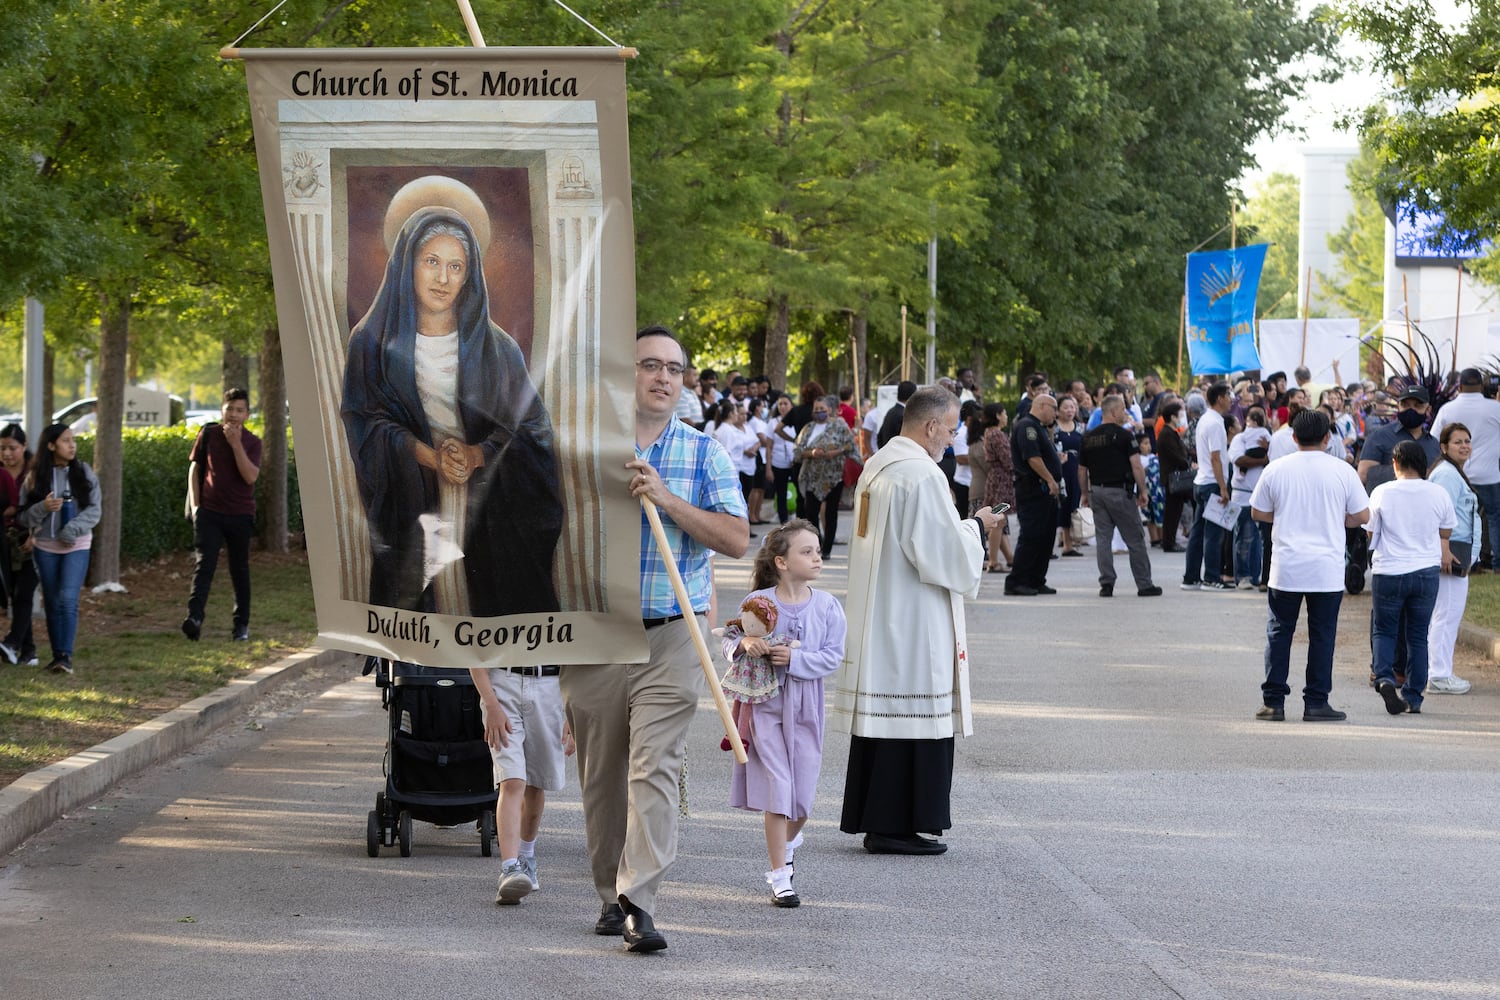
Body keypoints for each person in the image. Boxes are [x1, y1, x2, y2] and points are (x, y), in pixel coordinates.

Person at [560, 326, 749, 953]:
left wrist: (665, 500)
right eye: (650, 365)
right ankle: (610, 894)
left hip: (673, 634)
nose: (664, 377)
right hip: (597, 635)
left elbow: (735, 538)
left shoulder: (704, 454)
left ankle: (641, 902)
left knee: (655, 770)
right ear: (628, 375)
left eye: (675, 368)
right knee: (603, 779)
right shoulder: (585, 451)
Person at [341, 204, 562, 617]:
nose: (443, 279)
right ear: (408, 264)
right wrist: (426, 455)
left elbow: (532, 427)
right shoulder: (370, 342)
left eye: (456, 267)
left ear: (469, 275)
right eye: (431, 262)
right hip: (411, 485)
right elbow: (363, 418)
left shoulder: (498, 348)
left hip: (488, 487)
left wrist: (478, 454)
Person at [835, 387, 1004, 854]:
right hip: (911, 618)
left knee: (885, 718)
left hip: (881, 609)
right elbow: (940, 552)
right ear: (931, 426)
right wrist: (976, 527)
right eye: (950, 430)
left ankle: (879, 818)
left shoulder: (879, 464)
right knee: (913, 713)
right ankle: (896, 825)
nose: (952, 440)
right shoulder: (920, 476)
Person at [723, 520, 846, 907]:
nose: (816, 558)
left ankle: (789, 841)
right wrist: (745, 641)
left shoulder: (827, 605)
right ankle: (780, 876)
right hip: (765, 704)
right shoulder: (760, 600)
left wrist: (795, 657)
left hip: (806, 704)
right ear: (782, 561)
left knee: (803, 797)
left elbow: (833, 655)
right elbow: (728, 637)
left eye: (818, 551)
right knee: (779, 786)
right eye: (806, 552)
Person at [1249, 410, 1370, 722]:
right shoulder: (1342, 471)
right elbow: (1362, 516)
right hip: (1326, 569)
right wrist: (1339, 519)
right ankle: (1316, 702)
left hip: (1286, 567)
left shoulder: (1276, 469)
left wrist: (1286, 515)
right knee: (1322, 635)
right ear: (1327, 438)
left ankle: (1273, 701)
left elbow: (1258, 513)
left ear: (1293, 437)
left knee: (1278, 633)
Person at [470, 658, 575, 905]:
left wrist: (573, 711)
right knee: (512, 780)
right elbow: (474, 653)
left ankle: (526, 857)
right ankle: (510, 867)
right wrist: (490, 703)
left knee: (536, 783)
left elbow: (576, 650)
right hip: (503, 682)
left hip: (549, 685)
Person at [1366, 440, 1455, 716]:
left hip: (1389, 570)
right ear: (1423, 464)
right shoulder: (1438, 493)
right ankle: (1413, 696)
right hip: (1425, 571)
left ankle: (1384, 678)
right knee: (1418, 635)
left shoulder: (1382, 492)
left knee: (1384, 629)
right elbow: (1447, 531)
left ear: (1395, 463)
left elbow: (1370, 534)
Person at [19, 424, 101, 675]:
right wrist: (43, 507)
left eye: (73, 440)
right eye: (65, 441)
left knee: (68, 598)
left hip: (77, 544)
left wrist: (72, 530)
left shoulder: (84, 472)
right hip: (45, 546)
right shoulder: (35, 477)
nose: (72, 445)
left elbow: (95, 510)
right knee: (52, 601)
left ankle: (66, 656)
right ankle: (57, 657)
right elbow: (24, 518)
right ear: (51, 445)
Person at [182, 388, 262, 642]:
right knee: (204, 566)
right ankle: (194, 619)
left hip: (240, 515)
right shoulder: (208, 434)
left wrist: (235, 444)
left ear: (247, 414)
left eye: (240, 410)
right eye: (230, 409)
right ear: (222, 410)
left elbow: (250, 476)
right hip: (210, 513)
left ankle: (241, 626)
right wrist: (196, 507)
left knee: (239, 570)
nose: (234, 415)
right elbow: (194, 470)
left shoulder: (252, 442)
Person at [1078, 395, 1161, 597]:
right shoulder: (1124, 436)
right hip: (1120, 492)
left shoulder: (1088, 437)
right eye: (1123, 409)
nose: (1125, 413)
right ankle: (1144, 584)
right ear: (1113, 412)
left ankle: (1106, 583)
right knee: (1135, 539)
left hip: (1097, 491)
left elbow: (1082, 469)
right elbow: (1136, 465)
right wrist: (1143, 491)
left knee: (1103, 539)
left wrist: (1084, 494)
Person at [1426, 423, 1480, 694]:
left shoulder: (1453, 472)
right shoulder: (1447, 475)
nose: (1464, 445)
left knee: (1445, 614)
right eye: (1458, 441)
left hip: (1457, 549)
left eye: (1467, 441)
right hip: (1451, 552)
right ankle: (1438, 674)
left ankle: (1438, 670)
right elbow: (1440, 515)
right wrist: (1444, 547)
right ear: (1444, 447)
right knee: (1446, 614)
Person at [1431, 368, 1500, 564]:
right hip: (1489, 475)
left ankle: (1469, 560)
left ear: (1459, 387)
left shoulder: (1447, 409)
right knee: (1494, 518)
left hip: (1457, 474)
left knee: (1459, 518)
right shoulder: (1495, 408)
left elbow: (1435, 438)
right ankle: (1496, 563)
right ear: (1482, 387)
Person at [1006, 393, 1062, 596]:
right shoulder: (1027, 426)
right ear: (1042, 406)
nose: (1056, 413)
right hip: (1033, 490)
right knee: (1032, 536)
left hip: (1045, 492)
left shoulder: (1039, 427)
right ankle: (1017, 581)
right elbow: (1033, 459)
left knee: (1046, 538)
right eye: (1054, 408)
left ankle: (1036, 579)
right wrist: (1049, 479)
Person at [1183, 381, 1233, 591]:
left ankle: (1191, 577)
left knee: (1198, 532)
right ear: (1220, 397)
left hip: (1202, 481)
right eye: (1229, 396)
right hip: (1212, 482)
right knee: (1213, 534)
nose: (1231, 400)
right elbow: (1215, 457)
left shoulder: (1206, 419)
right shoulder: (1214, 422)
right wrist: (1223, 487)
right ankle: (1212, 577)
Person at [794, 396, 858, 559]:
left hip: (834, 476)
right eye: (816, 410)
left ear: (829, 410)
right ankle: (817, 544)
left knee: (831, 513)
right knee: (811, 513)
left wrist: (834, 453)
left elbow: (850, 445)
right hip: (812, 477)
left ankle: (827, 549)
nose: (819, 412)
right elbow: (798, 451)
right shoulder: (808, 428)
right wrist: (812, 453)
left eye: (822, 409)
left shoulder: (839, 425)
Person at [1358, 386, 1439, 492]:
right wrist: (1410, 473)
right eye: (1405, 405)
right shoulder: (1378, 437)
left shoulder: (1433, 444)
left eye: (1417, 406)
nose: (1411, 410)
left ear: (1428, 409)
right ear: (1398, 406)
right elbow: (1364, 474)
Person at [0, 424, 35, 667]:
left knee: (25, 591)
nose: (7, 453)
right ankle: (29, 652)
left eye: (12, 448)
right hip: (3, 542)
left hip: (29, 540)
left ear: (24, 447)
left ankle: (13, 643)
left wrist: (36, 535)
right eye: (2, 448)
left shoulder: (35, 473)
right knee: (12, 593)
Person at [1226, 406, 1271, 590]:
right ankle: (1243, 575)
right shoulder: (1239, 438)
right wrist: (1262, 460)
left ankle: (1256, 575)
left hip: (1261, 497)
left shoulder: (1267, 437)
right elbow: (1238, 460)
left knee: (1260, 541)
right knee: (1244, 538)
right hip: (1243, 497)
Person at [981, 403, 1015, 572]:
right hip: (1001, 479)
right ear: (997, 415)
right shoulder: (997, 434)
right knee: (998, 519)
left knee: (999, 519)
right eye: (1004, 413)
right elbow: (1008, 460)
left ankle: (1009, 558)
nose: (1006, 416)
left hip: (996, 478)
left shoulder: (990, 433)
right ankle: (993, 561)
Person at [1156, 400, 1191, 553]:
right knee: (1172, 511)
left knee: (1175, 510)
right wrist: (1187, 463)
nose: (1182, 418)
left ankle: (1170, 540)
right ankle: (1169, 542)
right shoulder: (1166, 434)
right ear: (1172, 417)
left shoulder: (1171, 433)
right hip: (1173, 477)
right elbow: (1176, 456)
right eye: (1180, 415)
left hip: (1173, 477)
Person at [1054, 395, 1084, 556]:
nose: (1070, 410)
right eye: (1066, 407)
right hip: (1060, 471)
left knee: (1074, 503)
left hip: (1077, 470)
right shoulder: (1053, 428)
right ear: (1057, 410)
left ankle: (1071, 542)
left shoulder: (1080, 428)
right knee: (1062, 505)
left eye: (1072, 407)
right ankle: (1065, 541)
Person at [767, 394, 798, 524]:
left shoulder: (795, 420)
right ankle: (783, 521)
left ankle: (798, 516)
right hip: (778, 462)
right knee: (781, 493)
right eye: (780, 404)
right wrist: (768, 468)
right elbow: (769, 446)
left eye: (786, 403)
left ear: (791, 405)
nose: (783, 406)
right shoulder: (773, 422)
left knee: (799, 490)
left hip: (794, 461)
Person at [875, 380, 917, 450]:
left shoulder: (891, 411)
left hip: (888, 454)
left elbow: (879, 437)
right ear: (913, 396)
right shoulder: (905, 415)